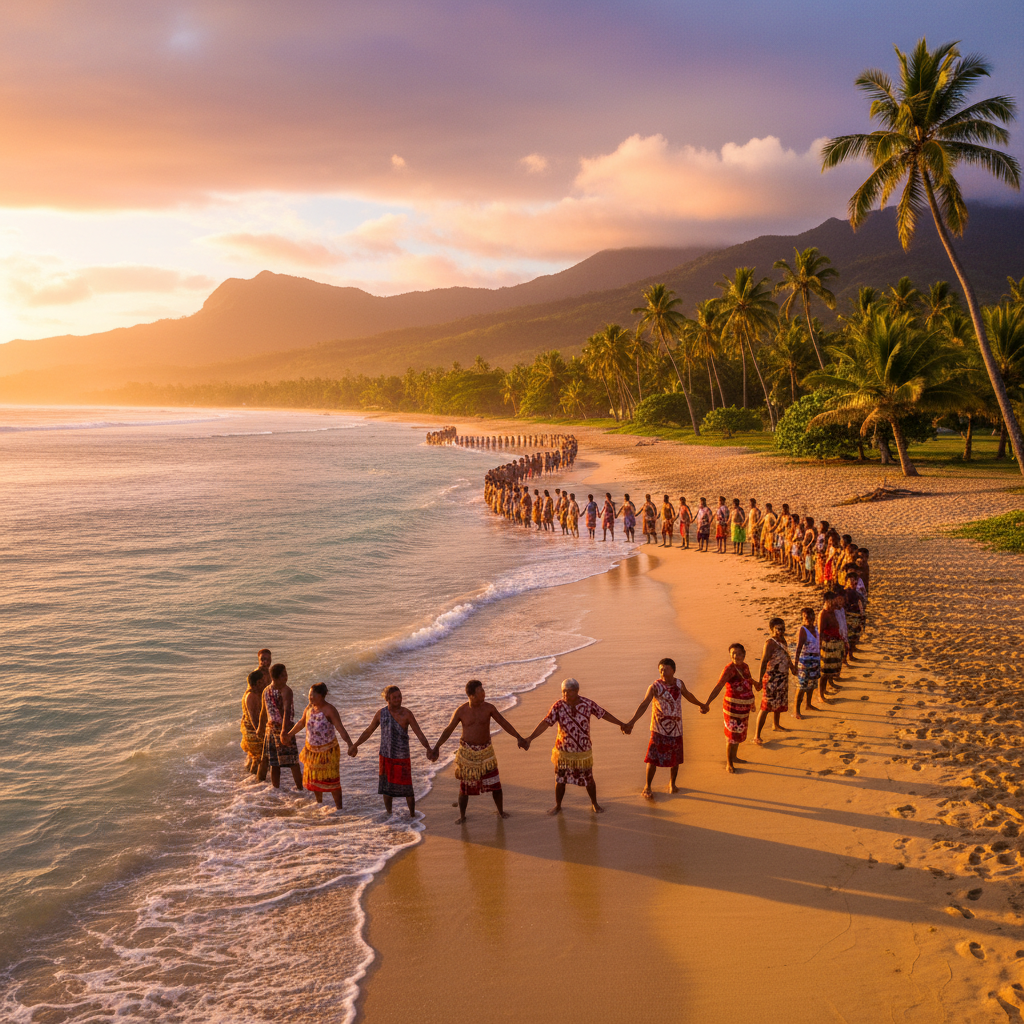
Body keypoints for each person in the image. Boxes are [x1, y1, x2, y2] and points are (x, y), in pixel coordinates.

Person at [524, 678, 627, 814]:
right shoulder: (558, 706)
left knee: (589, 779)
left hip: (583, 751)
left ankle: (595, 803)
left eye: (569, 691)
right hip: (564, 751)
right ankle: (558, 805)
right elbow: (546, 722)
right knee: (560, 779)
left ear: (577, 691)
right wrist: (530, 738)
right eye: (563, 691)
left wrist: (622, 724)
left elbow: (604, 714)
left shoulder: (587, 704)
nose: (565, 694)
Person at [431, 679, 528, 822]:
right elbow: (448, 730)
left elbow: (503, 722)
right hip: (468, 753)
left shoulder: (489, 708)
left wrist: (518, 737)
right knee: (464, 788)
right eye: (480, 691)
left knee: (495, 784)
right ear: (471, 695)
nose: (484, 693)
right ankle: (462, 816)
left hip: (486, 751)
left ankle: (501, 811)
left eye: (483, 690)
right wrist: (437, 747)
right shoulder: (461, 711)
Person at [622, 657, 707, 799]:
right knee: (652, 758)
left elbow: (688, 695)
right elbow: (644, 704)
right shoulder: (655, 686)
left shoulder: (679, 684)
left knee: (676, 758)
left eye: (666, 669)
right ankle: (647, 786)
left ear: (673, 670)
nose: (663, 671)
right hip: (658, 729)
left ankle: (672, 784)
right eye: (661, 669)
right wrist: (632, 722)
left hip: (676, 729)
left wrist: (701, 704)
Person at [351, 685, 436, 817]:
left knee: (407, 788)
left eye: (399, 696)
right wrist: (355, 745)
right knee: (386, 788)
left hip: (402, 757)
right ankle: (389, 814)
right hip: (385, 755)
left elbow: (419, 733)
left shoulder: (406, 714)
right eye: (394, 697)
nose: (398, 699)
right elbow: (369, 731)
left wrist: (428, 748)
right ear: (387, 699)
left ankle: (412, 815)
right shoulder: (381, 713)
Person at [285, 683, 355, 809]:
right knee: (315, 779)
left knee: (332, 781)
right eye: (309, 694)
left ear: (322, 696)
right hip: (311, 751)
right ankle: (319, 804)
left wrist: (350, 744)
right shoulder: (309, 708)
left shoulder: (329, 710)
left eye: (313, 695)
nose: (310, 697)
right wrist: (289, 735)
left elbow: (340, 728)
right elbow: (301, 723)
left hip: (328, 751)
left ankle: (339, 808)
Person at [703, 643, 760, 773]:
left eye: (739, 653)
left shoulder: (745, 666)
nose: (736, 656)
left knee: (739, 732)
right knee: (731, 735)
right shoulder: (729, 669)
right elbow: (719, 686)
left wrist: (755, 685)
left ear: (744, 655)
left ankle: (734, 756)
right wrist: (707, 703)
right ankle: (729, 763)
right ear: (730, 655)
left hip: (744, 707)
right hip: (731, 707)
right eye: (733, 653)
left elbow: (748, 680)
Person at [257, 663, 303, 790]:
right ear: (275, 678)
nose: (286, 678)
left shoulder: (266, 690)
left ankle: (275, 790)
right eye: (283, 675)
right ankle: (300, 789)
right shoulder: (286, 691)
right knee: (293, 762)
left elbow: (263, 712)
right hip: (284, 728)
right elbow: (287, 711)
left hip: (270, 729)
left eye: (286, 674)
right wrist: (284, 732)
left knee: (274, 763)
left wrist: (261, 729)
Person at [754, 618, 796, 744]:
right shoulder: (769, 643)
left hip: (782, 677)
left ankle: (776, 725)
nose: (781, 631)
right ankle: (757, 735)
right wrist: (760, 680)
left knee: (779, 702)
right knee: (766, 706)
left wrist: (792, 667)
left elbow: (787, 656)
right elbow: (763, 662)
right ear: (771, 629)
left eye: (783, 628)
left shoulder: (783, 640)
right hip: (771, 678)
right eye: (778, 629)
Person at [794, 607, 820, 719]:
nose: (808, 619)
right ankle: (796, 710)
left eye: (810, 616)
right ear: (802, 618)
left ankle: (808, 704)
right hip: (805, 662)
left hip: (815, 661)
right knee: (802, 687)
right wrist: (795, 664)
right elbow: (798, 648)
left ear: (814, 617)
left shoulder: (816, 629)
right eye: (805, 617)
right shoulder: (803, 630)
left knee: (812, 684)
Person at [818, 592, 844, 703]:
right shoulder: (823, 614)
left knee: (832, 668)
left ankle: (830, 684)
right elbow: (820, 633)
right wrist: (819, 648)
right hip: (827, 645)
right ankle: (821, 694)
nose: (835, 603)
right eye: (833, 601)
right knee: (824, 672)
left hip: (835, 643)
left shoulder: (833, 611)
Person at [240, 669, 266, 774]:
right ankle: (256, 781)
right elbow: (253, 717)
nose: (265, 683)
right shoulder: (251, 696)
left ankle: (250, 777)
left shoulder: (256, 693)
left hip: (253, 730)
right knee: (260, 757)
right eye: (262, 681)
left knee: (256, 757)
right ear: (256, 683)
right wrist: (259, 732)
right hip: (253, 731)